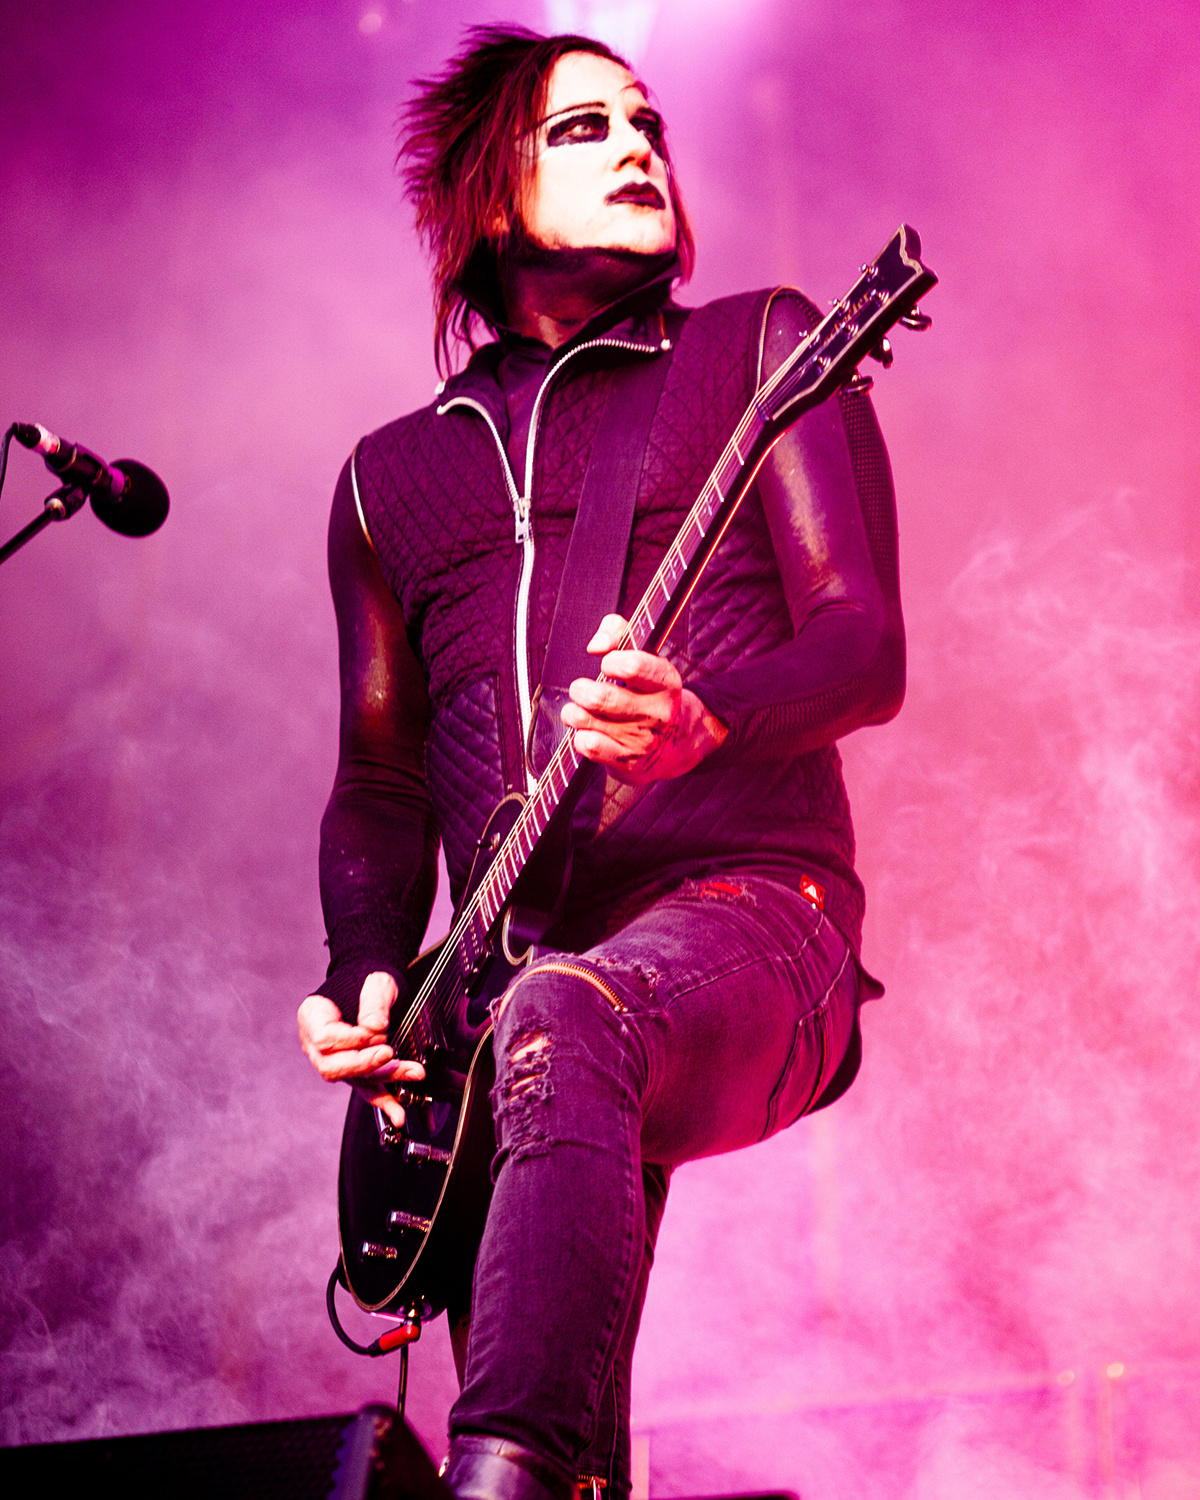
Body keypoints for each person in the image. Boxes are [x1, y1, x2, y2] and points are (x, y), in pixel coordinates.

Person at [297, 25, 904, 1500]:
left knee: (569, 1011)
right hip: (502, 989)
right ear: (482, 189)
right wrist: (365, 969)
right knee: (568, 1416)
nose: (639, 145)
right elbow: (380, 776)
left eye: (647, 123)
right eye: (583, 128)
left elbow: (865, 648)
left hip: (758, 918)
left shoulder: (758, 350)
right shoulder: (387, 478)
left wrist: (708, 720)